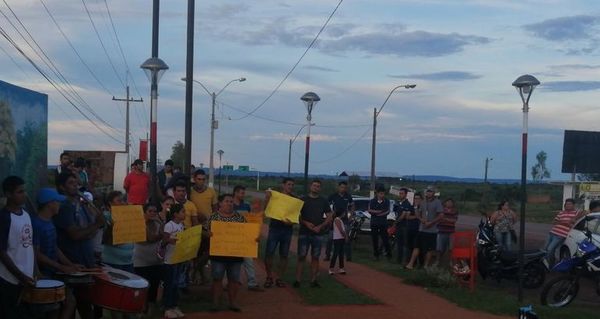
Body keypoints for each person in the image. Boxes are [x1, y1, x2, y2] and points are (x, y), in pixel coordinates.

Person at [54, 172, 104, 319]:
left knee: (86, 306)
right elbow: (75, 235)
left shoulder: (81, 204)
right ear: (61, 187)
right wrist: (97, 224)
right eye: (71, 183)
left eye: (76, 184)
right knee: (72, 307)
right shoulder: (64, 207)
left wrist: (95, 225)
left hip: (86, 262)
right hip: (72, 263)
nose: (75, 187)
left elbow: (89, 232)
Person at [33, 188, 79, 319]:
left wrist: (71, 265)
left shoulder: (50, 221)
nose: (59, 204)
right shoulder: (36, 224)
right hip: (42, 275)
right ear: (49, 204)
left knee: (67, 303)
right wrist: (61, 267)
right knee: (57, 307)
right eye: (57, 202)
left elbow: (54, 247)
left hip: (52, 272)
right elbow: (36, 254)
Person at [0, 176, 35, 318]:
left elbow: (29, 245)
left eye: (24, 191)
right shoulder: (4, 218)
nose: (24, 195)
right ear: (8, 194)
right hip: (8, 279)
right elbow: (1, 252)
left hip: (27, 279)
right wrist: (20, 276)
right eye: (19, 192)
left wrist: (34, 271)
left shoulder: (26, 215)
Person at [208, 194, 249, 312]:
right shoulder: (213, 217)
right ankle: (215, 303)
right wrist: (208, 234)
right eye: (227, 201)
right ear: (220, 203)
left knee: (234, 279)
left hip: (235, 254)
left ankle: (232, 303)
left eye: (231, 201)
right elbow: (205, 232)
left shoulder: (240, 217)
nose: (229, 203)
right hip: (218, 254)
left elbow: (246, 233)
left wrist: (253, 238)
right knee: (217, 278)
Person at [294, 179, 333, 288]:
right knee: (301, 256)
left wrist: (320, 226)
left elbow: (330, 215)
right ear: (310, 186)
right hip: (304, 232)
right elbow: (296, 215)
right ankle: (297, 280)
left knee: (315, 257)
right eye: (314, 185)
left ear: (320, 188)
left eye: (318, 186)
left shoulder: (323, 201)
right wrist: (305, 223)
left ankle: (313, 280)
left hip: (318, 233)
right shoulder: (303, 199)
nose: (316, 187)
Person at [263, 177, 296, 288]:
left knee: (284, 255)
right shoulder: (275, 197)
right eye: (288, 184)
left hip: (287, 230)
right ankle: (269, 277)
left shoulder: (294, 199)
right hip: (275, 228)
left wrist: (290, 223)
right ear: (283, 185)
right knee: (269, 253)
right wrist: (267, 198)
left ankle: (280, 278)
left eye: (292, 185)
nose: (290, 187)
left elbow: (296, 217)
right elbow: (266, 210)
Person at [134, 203, 164, 315]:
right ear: (144, 212)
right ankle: (142, 306)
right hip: (140, 261)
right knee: (142, 285)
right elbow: (150, 238)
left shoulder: (157, 223)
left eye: (155, 211)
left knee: (154, 285)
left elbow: (163, 234)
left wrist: (160, 222)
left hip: (156, 260)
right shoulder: (138, 224)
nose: (153, 213)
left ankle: (151, 306)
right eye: (150, 211)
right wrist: (160, 234)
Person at [233, 185, 263, 291]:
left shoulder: (246, 206)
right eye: (241, 193)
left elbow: (252, 222)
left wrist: (256, 235)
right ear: (235, 193)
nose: (243, 195)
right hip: (232, 238)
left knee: (249, 261)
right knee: (233, 262)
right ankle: (233, 281)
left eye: (244, 193)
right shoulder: (229, 205)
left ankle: (252, 282)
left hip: (245, 238)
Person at [161, 203, 186, 319]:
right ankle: (167, 307)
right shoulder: (169, 225)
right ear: (176, 214)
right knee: (169, 284)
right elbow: (165, 240)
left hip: (178, 259)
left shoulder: (181, 225)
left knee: (176, 284)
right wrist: (173, 240)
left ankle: (174, 305)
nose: (185, 214)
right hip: (169, 260)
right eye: (183, 212)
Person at [101, 191, 134, 272]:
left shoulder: (129, 216)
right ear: (110, 203)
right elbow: (105, 239)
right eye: (119, 200)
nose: (123, 203)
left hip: (128, 262)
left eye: (123, 200)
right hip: (112, 262)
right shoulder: (106, 216)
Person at [544, 198, 582, 267]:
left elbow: (584, 212)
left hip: (560, 235)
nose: (567, 205)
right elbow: (554, 222)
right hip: (552, 232)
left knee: (549, 249)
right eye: (566, 204)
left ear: (574, 205)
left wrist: (561, 222)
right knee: (545, 249)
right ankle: (551, 264)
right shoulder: (562, 212)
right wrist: (566, 222)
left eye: (569, 204)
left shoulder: (576, 213)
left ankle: (551, 265)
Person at [326, 181, 354, 261]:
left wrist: (351, 216)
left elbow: (352, 206)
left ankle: (348, 257)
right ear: (338, 187)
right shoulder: (333, 196)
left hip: (344, 220)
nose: (343, 189)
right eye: (341, 187)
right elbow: (327, 205)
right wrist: (330, 216)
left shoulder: (348, 196)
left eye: (345, 187)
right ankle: (327, 255)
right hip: (334, 220)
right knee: (330, 238)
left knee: (346, 238)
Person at [368, 187, 391, 260]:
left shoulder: (386, 201)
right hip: (374, 223)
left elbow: (387, 211)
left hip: (383, 223)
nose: (382, 195)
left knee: (385, 239)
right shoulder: (372, 201)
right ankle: (376, 255)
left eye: (383, 193)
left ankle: (388, 254)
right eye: (381, 193)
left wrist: (377, 213)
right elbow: (369, 210)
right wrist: (378, 212)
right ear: (377, 193)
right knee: (375, 239)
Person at [394, 187, 414, 264]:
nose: (400, 195)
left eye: (402, 193)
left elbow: (403, 216)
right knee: (399, 243)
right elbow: (396, 213)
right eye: (400, 193)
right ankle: (399, 260)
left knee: (405, 244)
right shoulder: (398, 203)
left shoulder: (407, 204)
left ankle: (406, 260)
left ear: (406, 194)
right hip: (399, 226)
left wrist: (396, 222)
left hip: (404, 226)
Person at [437, 198, 459, 265]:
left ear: (453, 204)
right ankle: (437, 261)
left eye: (451, 202)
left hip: (451, 232)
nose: (449, 203)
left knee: (451, 249)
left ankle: (450, 262)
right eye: (448, 202)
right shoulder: (441, 210)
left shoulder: (455, 211)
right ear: (445, 203)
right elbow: (439, 219)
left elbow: (454, 220)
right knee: (439, 249)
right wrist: (449, 219)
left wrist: (445, 219)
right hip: (441, 231)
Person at [405, 193, 424, 269]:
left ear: (421, 199)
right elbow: (407, 217)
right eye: (415, 198)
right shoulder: (411, 207)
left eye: (418, 198)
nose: (416, 200)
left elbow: (423, 218)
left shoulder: (423, 208)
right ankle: (413, 263)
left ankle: (420, 263)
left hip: (419, 230)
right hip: (410, 228)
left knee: (418, 247)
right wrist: (417, 216)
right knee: (410, 246)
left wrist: (416, 216)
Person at [328, 209, 347, 275]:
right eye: (344, 213)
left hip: (340, 238)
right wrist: (345, 236)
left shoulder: (339, 220)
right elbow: (341, 230)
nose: (345, 214)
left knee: (341, 254)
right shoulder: (337, 220)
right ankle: (331, 268)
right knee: (335, 254)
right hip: (338, 238)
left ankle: (341, 268)